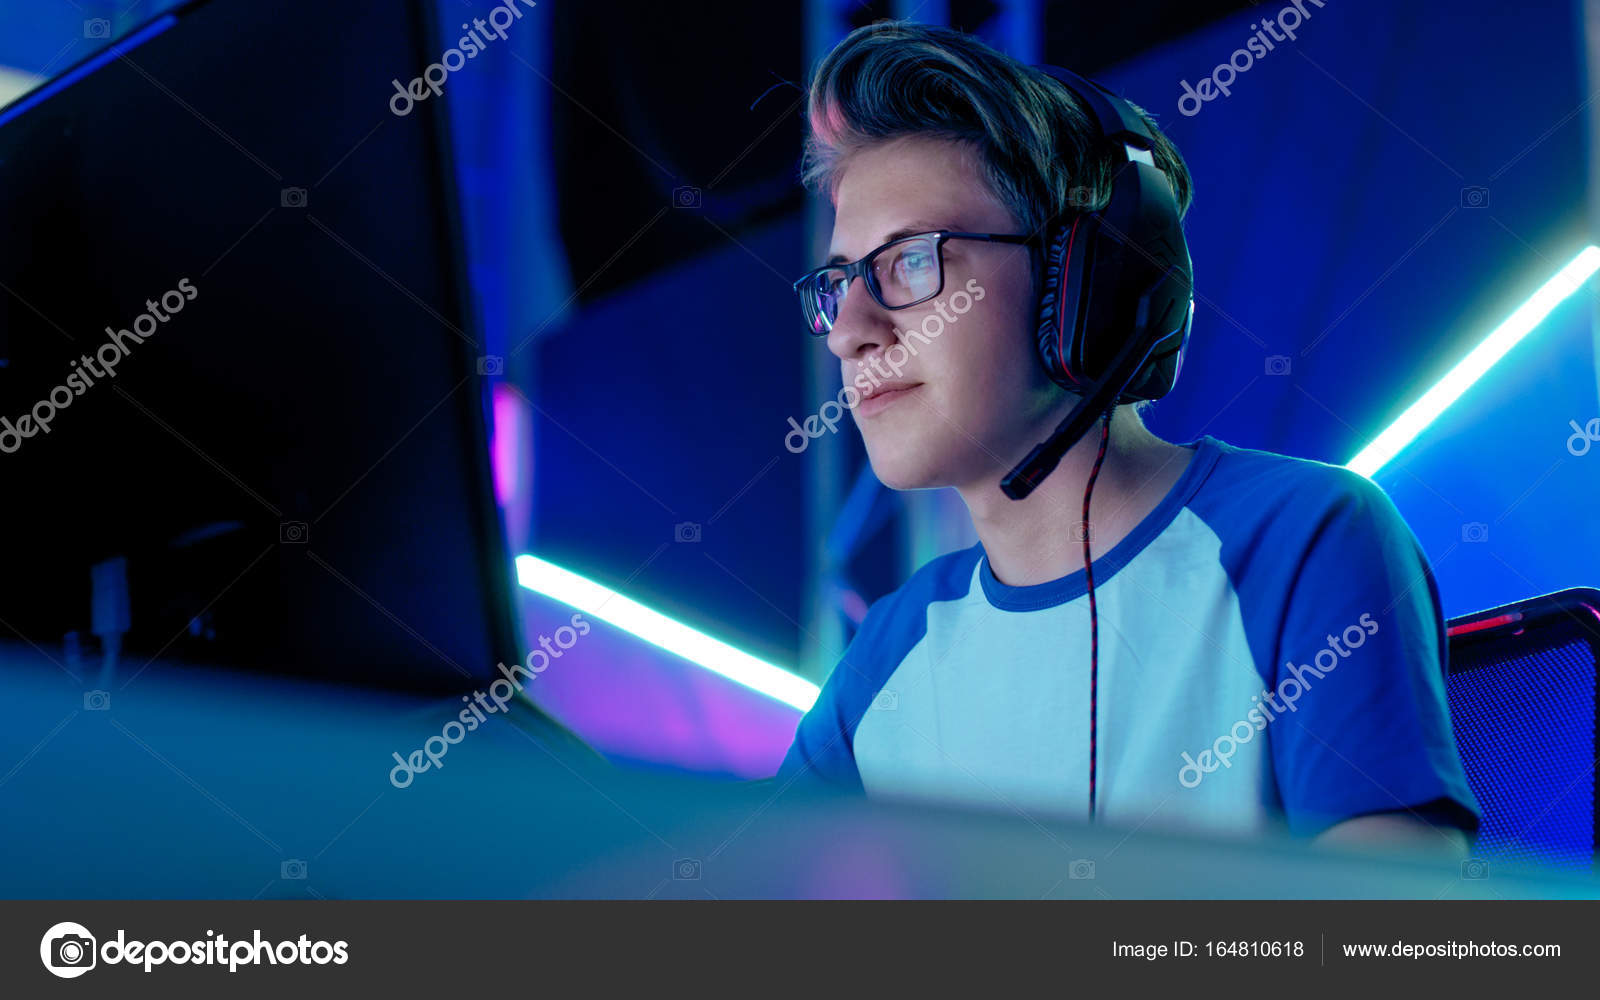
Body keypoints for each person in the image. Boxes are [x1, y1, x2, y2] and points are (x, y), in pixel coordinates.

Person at [777, 20, 1479, 852]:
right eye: (838, 282)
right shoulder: (885, 658)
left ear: (1084, 280)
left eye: (907, 261)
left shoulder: (1302, 541)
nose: (848, 328)